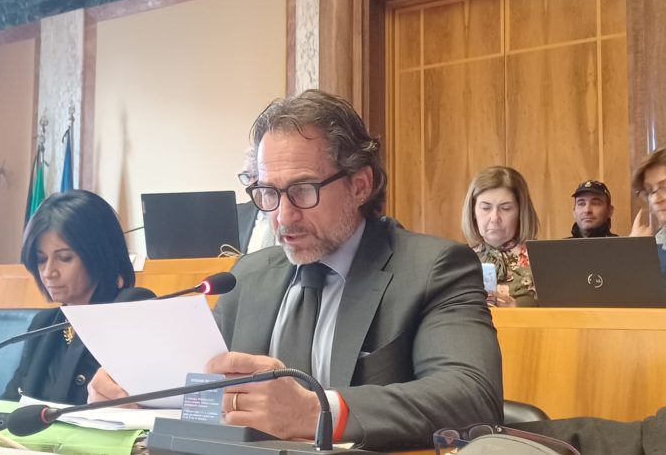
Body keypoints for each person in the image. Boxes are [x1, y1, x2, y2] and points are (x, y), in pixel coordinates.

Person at [89, 89, 503, 451]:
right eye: (268, 192)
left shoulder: (434, 269)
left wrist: (315, 410)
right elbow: (210, 394)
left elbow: (472, 396)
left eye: (303, 190)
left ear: (360, 185)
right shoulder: (247, 276)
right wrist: (142, 392)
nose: (283, 217)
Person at [2, 189, 154, 405]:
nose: (48, 272)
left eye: (64, 258)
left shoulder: (131, 308)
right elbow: (8, 404)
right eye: (41, 259)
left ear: (98, 255)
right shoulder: (43, 324)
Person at [461, 166, 539, 307]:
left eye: (506, 208)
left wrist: (520, 314)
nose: (494, 218)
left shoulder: (542, 261)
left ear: (520, 212)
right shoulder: (457, 261)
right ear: (473, 212)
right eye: (486, 208)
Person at [630, 146, 666, 275]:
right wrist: (635, 251)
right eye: (650, 191)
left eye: (664, 187)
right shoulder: (653, 242)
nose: (655, 199)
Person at [236, 147, 275, 253]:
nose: (251, 184)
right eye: (247, 176)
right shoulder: (237, 214)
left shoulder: (293, 212)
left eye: (257, 176)